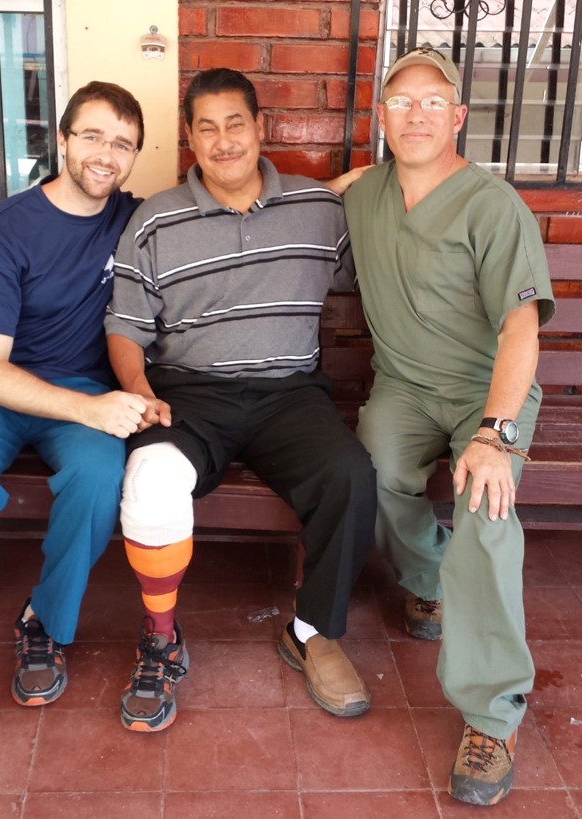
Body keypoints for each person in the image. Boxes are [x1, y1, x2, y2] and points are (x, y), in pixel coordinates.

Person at [104, 67, 377, 733]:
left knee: (349, 474)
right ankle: (160, 636)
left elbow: (379, 257)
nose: (223, 140)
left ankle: (312, 633)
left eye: (236, 123)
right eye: (207, 128)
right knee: (150, 477)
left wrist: (358, 186)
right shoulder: (154, 220)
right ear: (190, 138)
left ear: (261, 127)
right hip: (190, 394)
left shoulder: (317, 210)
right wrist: (139, 392)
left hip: (290, 394)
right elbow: (125, 327)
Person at [0, 81, 151, 772]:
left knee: (99, 474)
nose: (106, 154)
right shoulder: (5, 228)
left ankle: (42, 619)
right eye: (93, 136)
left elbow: (223, 201)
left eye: (123, 143)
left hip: (80, 390)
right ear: (64, 139)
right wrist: (92, 409)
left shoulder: (134, 220)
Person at [342, 48, 555, 806]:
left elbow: (521, 329)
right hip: (403, 388)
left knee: (486, 508)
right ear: (382, 117)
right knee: (369, 470)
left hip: (485, 393)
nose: (417, 114)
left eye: (433, 102)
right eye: (401, 102)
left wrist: (494, 435)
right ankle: (428, 582)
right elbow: (317, 197)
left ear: (458, 115)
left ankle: (492, 713)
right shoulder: (365, 192)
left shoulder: (492, 205)